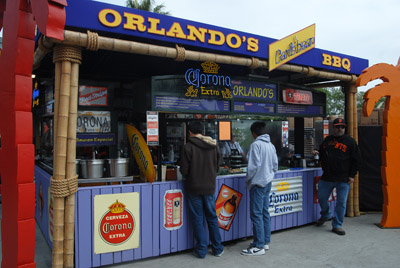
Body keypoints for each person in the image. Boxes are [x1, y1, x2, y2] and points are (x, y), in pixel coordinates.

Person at [180, 121, 224, 258]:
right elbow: (218, 166)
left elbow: (184, 171)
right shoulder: (213, 145)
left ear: (190, 133)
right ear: (202, 132)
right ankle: (217, 248)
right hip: (209, 187)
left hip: (194, 188)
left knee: (198, 219)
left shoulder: (188, 147)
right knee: (212, 217)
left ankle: (201, 250)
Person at [316, 118, 361, 235]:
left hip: (343, 178)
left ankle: (337, 225)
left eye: (342, 127)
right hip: (327, 177)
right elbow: (321, 152)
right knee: (321, 198)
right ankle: (326, 214)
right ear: (333, 128)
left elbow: (356, 160)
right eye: (337, 127)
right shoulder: (327, 140)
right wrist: (316, 153)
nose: (340, 129)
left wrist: (352, 175)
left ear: (345, 128)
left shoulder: (350, 141)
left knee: (341, 202)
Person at [241, 121, 278, 256]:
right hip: (267, 182)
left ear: (253, 133)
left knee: (256, 214)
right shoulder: (270, 146)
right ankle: (265, 242)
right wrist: (268, 173)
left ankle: (258, 245)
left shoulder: (256, 145)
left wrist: (248, 180)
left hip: (257, 183)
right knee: (264, 213)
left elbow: (252, 167)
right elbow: (275, 166)